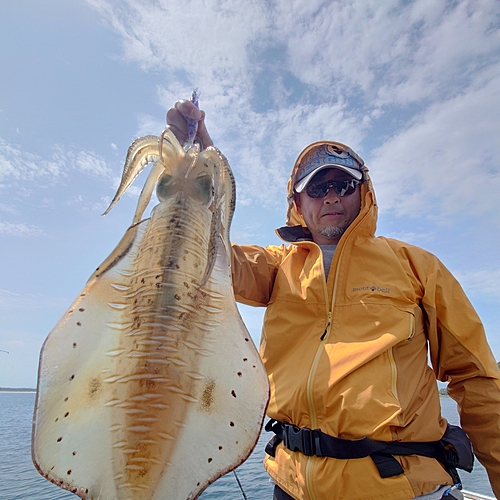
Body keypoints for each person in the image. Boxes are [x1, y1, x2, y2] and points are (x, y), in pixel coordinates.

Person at [167, 100, 500, 500]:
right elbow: (203, 247)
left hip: (400, 487)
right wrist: (202, 162)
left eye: (342, 185)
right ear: (298, 204)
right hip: (291, 486)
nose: (330, 198)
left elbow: (477, 378)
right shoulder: (276, 268)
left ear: (363, 193)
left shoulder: (416, 266)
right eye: (317, 188)